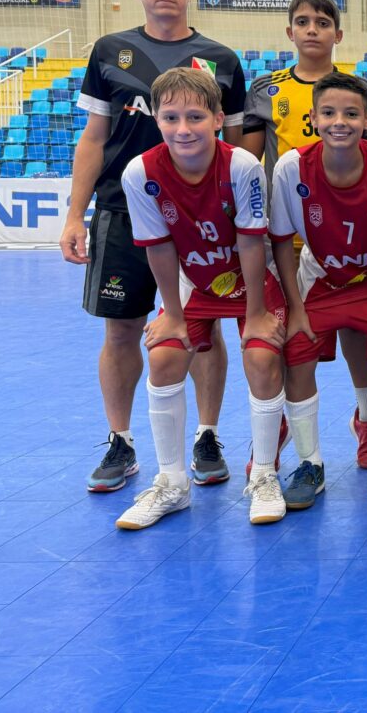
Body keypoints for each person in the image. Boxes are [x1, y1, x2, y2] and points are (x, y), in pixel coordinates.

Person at [61, 0, 244, 494]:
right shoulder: (110, 51)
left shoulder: (221, 58)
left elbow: (232, 144)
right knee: (122, 330)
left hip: (199, 220)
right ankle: (121, 441)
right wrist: (76, 213)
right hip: (120, 209)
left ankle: (207, 435)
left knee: (203, 327)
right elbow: (94, 138)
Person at [115, 68, 287, 529]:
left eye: (195, 116)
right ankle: (172, 483)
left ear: (216, 118)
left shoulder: (242, 167)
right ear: (156, 118)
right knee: (165, 358)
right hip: (196, 280)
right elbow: (160, 245)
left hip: (254, 279)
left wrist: (254, 315)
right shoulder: (141, 172)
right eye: (171, 117)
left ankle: (266, 476)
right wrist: (171, 312)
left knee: (262, 357)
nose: (183, 128)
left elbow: (252, 242)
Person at [242, 0, 367, 470]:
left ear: (337, 34)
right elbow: (247, 163)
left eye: (322, 22)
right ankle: (279, 423)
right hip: (291, 238)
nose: (312, 29)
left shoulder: (357, 89)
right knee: (286, 340)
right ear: (289, 32)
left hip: (351, 240)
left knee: (357, 334)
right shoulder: (267, 89)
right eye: (302, 21)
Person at [268, 72, 367, 512]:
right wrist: (294, 308)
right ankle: (310, 463)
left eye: (351, 113)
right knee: (296, 347)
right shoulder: (291, 167)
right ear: (312, 118)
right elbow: (280, 243)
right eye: (328, 113)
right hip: (322, 277)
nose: (339, 122)